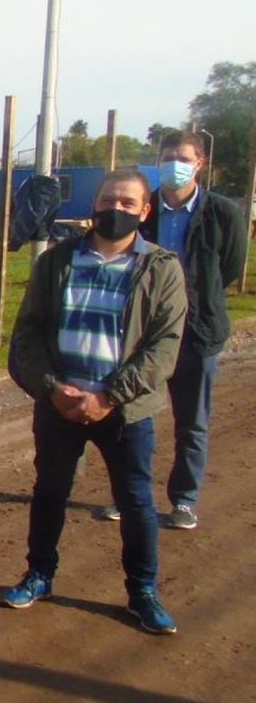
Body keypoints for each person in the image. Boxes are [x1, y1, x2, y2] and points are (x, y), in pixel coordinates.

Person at [0, 169, 187, 634]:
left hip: (124, 409)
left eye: (127, 203)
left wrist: (109, 396)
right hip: (59, 404)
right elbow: (29, 332)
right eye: (108, 200)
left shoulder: (161, 268)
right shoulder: (58, 261)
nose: (115, 210)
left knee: (136, 500)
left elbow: (164, 347)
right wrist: (51, 388)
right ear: (94, 205)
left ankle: (142, 591)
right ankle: (39, 574)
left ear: (145, 211)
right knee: (50, 493)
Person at [134, 131, 245, 531]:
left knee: (192, 419)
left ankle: (184, 499)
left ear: (199, 163)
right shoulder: (146, 212)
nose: (173, 164)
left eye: (182, 157)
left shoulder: (221, 213)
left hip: (198, 329)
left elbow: (229, 267)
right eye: (167, 157)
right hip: (145, 328)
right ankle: (131, 494)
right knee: (133, 416)